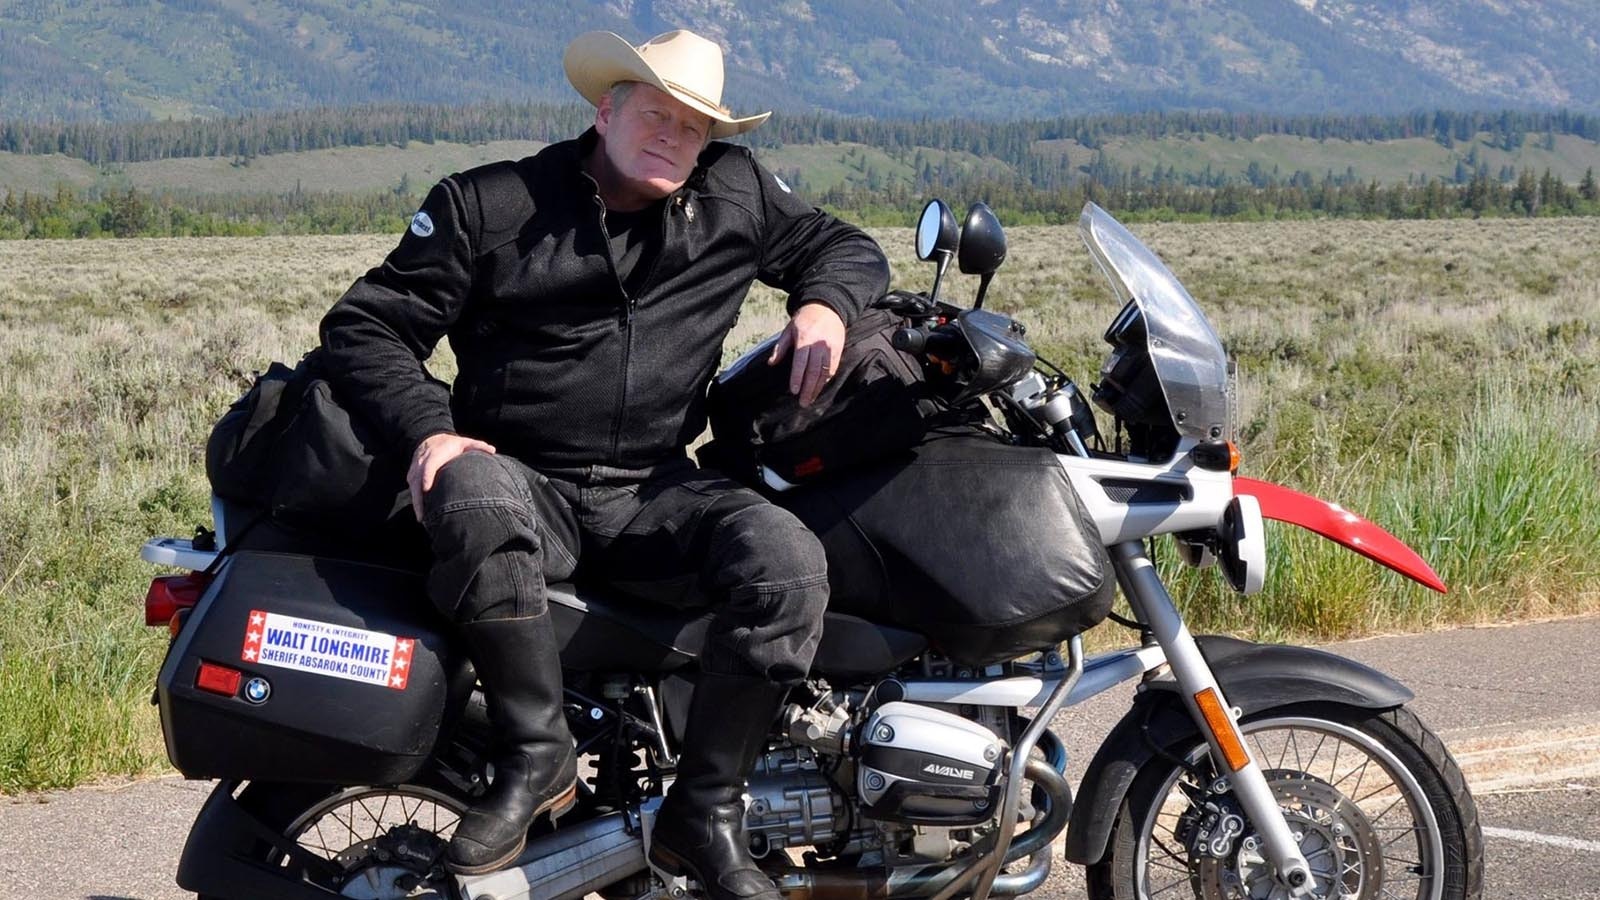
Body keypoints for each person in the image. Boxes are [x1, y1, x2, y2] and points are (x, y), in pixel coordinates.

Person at [318, 27, 889, 900]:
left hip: (656, 488)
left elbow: (843, 248)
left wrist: (826, 307)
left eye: (694, 127)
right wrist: (429, 429)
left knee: (786, 561)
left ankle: (705, 812)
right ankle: (537, 756)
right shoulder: (492, 205)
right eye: (656, 114)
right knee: (466, 490)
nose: (673, 137)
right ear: (605, 109)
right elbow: (367, 326)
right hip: (525, 478)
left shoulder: (732, 191)